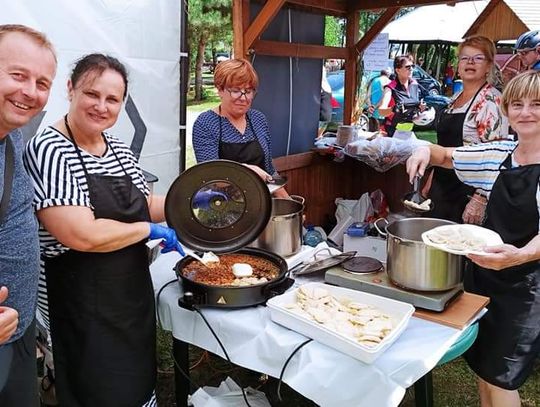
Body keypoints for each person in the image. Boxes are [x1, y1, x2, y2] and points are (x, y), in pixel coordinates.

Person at [23, 53, 184, 407]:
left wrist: (189, 201)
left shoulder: (119, 149)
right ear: (71, 89)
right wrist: (148, 230)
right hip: (79, 305)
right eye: (92, 94)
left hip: (127, 296)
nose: (101, 106)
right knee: (95, 390)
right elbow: (80, 233)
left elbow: (144, 203)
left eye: (112, 99)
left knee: (136, 383)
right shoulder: (50, 150)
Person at [406, 70, 540, 407]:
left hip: (526, 288)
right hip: (484, 277)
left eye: (537, 104)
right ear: (507, 110)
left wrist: (520, 255)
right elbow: (445, 155)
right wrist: (423, 151)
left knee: (501, 376)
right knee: (483, 367)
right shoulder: (500, 154)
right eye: (518, 105)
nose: (526, 113)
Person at [0, 24, 57, 406]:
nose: (29, 92)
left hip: (18, 331)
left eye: (41, 82)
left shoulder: (12, 135)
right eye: (17, 75)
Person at [425, 35, 508, 225]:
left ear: (488, 66)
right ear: (458, 66)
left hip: (469, 191)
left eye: (478, 58)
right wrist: (433, 176)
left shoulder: (490, 101)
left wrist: (480, 198)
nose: (470, 62)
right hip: (443, 184)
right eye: (464, 57)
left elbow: (498, 156)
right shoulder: (455, 98)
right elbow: (444, 145)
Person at [193, 58, 288, 197]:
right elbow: (211, 175)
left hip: (259, 204)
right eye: (236, 90)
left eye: (248, 91)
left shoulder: (258, 120)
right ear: (220, 90)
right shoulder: (206, 123)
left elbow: (269, 170)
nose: (243, 98)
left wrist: (289, 202)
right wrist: (249, 170)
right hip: (220, 208)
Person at [378, 55, 425, 137]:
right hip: (390, 131)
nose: (411, 69)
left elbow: (414, 107)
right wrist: (393, 109)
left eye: (412, 66)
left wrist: (421, 108)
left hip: (408, 130)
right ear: (398, 70)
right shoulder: (390, 87)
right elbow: (381, 111)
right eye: (407, 67)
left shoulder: (414, 84)